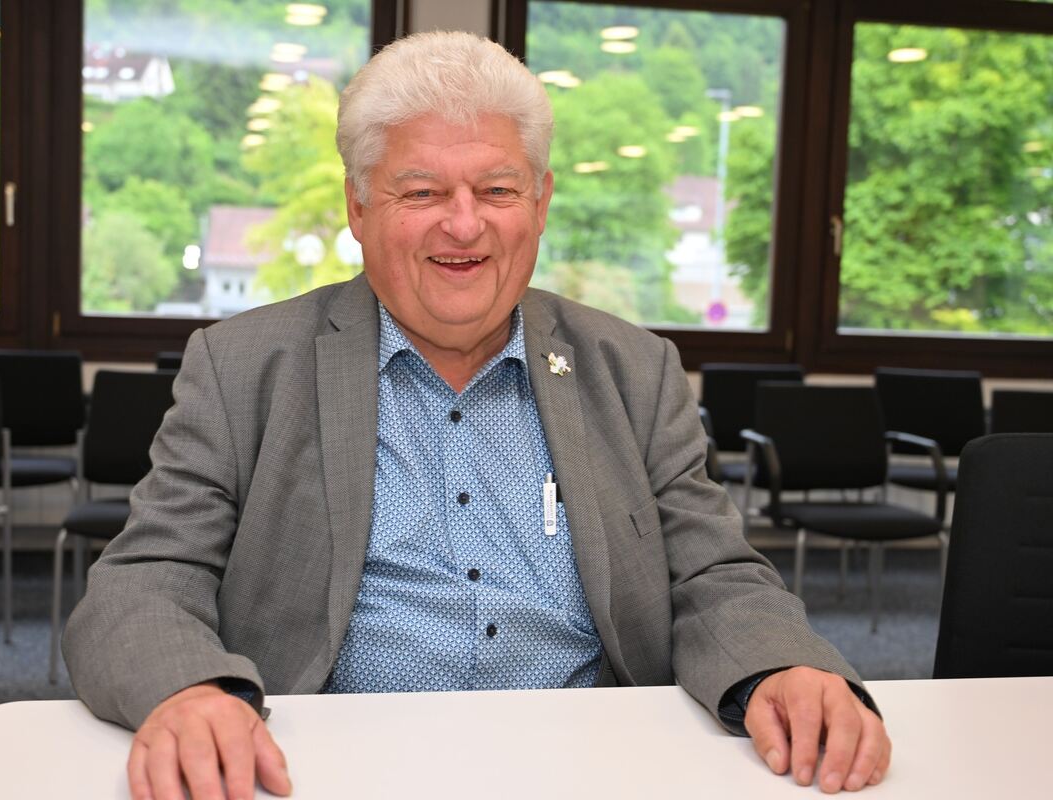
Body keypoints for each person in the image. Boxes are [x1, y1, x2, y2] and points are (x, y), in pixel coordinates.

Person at [63, 31, 890, 800]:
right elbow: (144, 581)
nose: (464, 225)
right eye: (422, 191)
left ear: (541, 201)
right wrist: (190, 690)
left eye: (497, 190)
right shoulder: (244, 367)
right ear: (359, 208)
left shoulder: (634, 371)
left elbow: (714, 574)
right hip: (325, 767)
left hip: (592, 764)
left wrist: (781, 666)